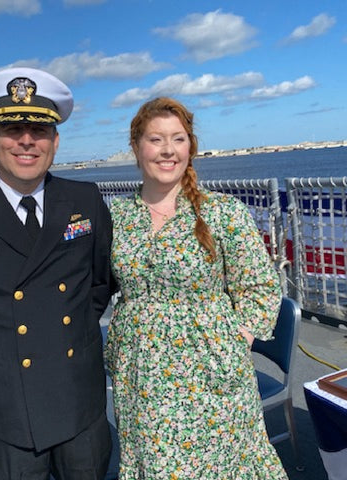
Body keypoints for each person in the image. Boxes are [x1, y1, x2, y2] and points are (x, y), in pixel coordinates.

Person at [0, 67, 114, 480]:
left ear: (55, 141)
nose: (26, 140)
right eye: (12, 128)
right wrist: (0, 338)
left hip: (78, 396)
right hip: (9, 404)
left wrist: (72, 327)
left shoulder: (85, 200)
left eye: (39, 130)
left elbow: (101, 283)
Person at [104, 97, 288, 479]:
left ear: (191, 147)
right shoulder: (115, 216)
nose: (168, 150)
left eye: (178, 139)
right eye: (156, 140)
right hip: (141, 372)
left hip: (209, 370)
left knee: (220, 464)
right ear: (136, 147)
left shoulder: (222, 212)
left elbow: (260, 285)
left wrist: (240, 335)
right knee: (154, 463)